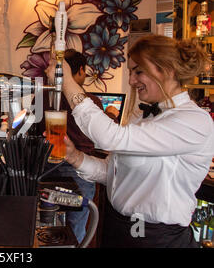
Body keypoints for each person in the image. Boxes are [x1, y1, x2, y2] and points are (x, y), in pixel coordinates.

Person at [58, 35, 214, 248]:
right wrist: (75, 157)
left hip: (155, 238)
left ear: (168, 70)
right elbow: (113, 173)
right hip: (118, 229)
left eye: (138, 71)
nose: (131, 81)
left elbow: (110, 138)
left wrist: (67, 82)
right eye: (131, 72)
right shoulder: (144, 117)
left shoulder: (194, 121)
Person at [40, 49, 115, 244]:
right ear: (80, 70)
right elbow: (104, 134)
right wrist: (112, 114)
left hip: (47, 168)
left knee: (46, 226)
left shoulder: (42, 98)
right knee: (76, 229)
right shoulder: (89, 101)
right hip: (78, 170)